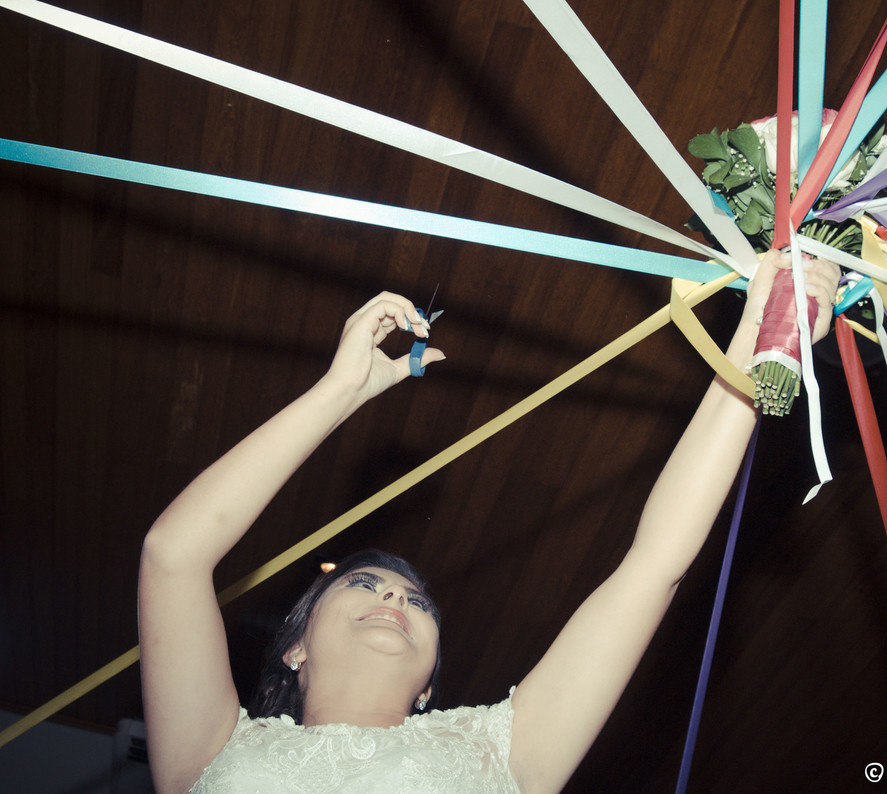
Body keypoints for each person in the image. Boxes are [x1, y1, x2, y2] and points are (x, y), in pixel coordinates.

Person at [138, 249, 839, 793]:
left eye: (414, 600)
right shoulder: (210, 750)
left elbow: (654, 564)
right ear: (293, 649)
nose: (393, 599)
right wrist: (338, 391)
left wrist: (763, 334)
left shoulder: (509, 749)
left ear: (428, 685)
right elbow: (173, 554)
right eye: (363, 586)